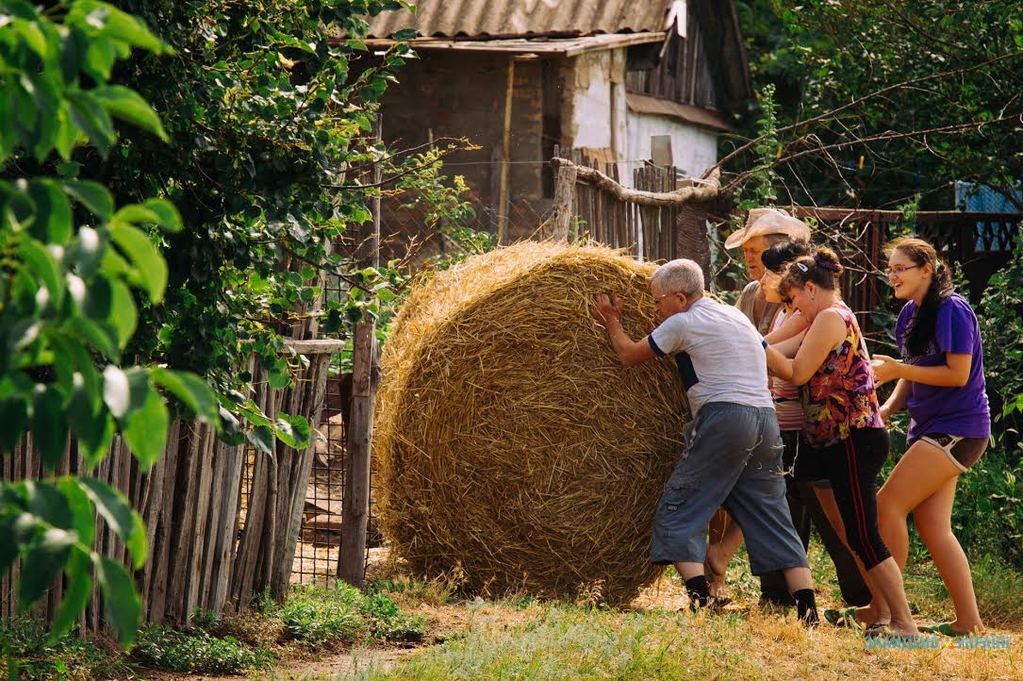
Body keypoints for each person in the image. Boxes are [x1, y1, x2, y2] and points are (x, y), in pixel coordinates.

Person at [591, 258, 818, 624]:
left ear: (680, 298)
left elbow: (629, 355)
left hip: (725, 417)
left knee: (680, 507)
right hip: (765, 418)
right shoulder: (734, 315)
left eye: (657, 301)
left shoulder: (683, 322)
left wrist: (612, 320)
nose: (655, 309)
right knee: (772, 513)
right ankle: (808, 611)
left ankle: (701, 601)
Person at [713, 209, 869, 607]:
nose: (757, 268)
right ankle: (781, 594)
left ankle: (864, 596)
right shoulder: (769, 300)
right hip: (786, 420)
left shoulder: (815, 313)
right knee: (780, 507)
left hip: (822, 426)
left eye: (762, 256)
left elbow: (791, 366)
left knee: (829, 516)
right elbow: (764, 347)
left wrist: (744, 348)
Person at [764, 247, 919, 637]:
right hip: (830, 441)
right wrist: (757, 345)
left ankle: (904, 623)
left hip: (853, 438)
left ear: (811, 290)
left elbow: (798, 372)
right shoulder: (821, 315)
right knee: (842, 525)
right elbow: (776, 348)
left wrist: (759, 348)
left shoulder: (831, 317)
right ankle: (879, 610)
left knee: (864, 535)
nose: (793, 306)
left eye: (794, 297)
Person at [870, 237, 990, 636]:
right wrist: (887, 409)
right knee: (933, 526)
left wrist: (899, 371)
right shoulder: (910, 313)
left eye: (901, 268)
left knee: (887, 505)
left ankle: (889, 614)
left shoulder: (952, 309)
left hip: (958, 429)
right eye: (890, 269)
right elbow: (912, 368)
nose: (893, 275)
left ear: (927, 269)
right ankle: (969, 623)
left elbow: (957, 374)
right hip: (934, 428)